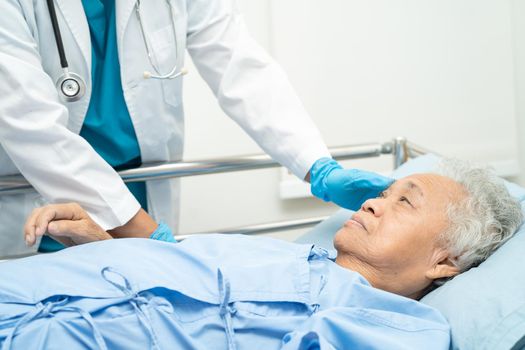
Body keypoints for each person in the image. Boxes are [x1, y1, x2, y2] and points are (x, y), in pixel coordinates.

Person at [0, 0, 392, 256]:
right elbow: (31, 128)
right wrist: (155, 242)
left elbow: (240, 66)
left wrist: (318, 166)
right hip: (39, 195)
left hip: (143, 187)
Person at [2, 160, 521, 349]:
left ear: (445, 261)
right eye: (383, 192)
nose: (372, 201)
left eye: (403, 201)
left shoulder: (392, 329)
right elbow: (181, 277)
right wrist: (103, 250)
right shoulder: (282, 255)